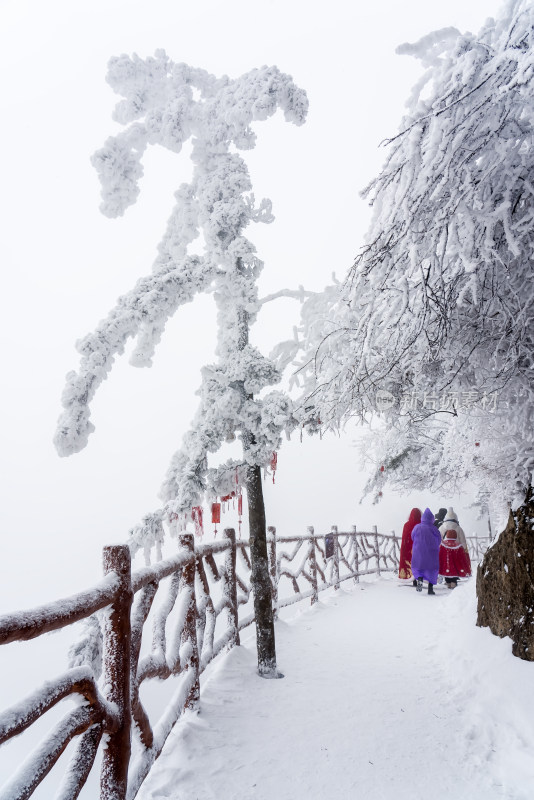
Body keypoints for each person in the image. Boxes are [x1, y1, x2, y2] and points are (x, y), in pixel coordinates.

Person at [438, 507, 472, 587]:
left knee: (447, 564)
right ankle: (454, 581)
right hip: (457, 550)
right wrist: (464, 549)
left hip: (445, 550)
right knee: (455, 565)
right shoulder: (458, 528)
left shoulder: (442, 527)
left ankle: (448, 581)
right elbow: (462, 540)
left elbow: (438, 539)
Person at [411, 508, 441, 595]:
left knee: (419, 567)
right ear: (432, 519)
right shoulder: (434, 528)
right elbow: (439, 539)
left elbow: (412, 536)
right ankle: (430, 589)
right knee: (431, 570)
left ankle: (419, 579)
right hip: (431, 552)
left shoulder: (417, 527)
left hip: (418, 552)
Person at [398, 508, 421, 584]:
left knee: (409, 562)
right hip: (418, 547)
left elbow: (404, 538)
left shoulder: (407, 525)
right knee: (418, 563)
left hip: (408, 547)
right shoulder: (421, 525)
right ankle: (418, 578)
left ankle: (412, 579)